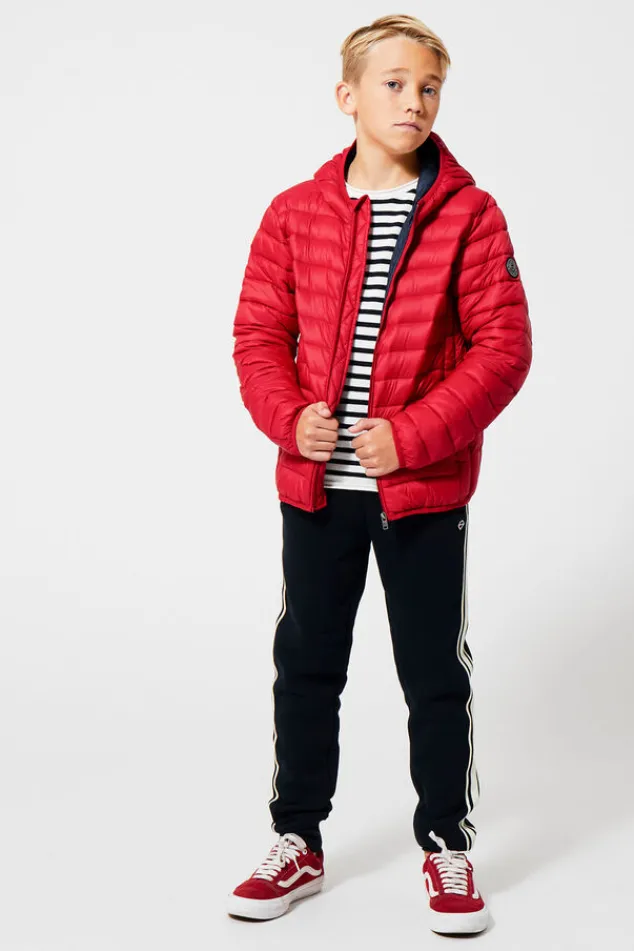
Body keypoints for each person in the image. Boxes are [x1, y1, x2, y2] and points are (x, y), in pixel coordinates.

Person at [227, 14, 532, 935]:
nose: (414, 101)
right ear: (347, 96)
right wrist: (292, 420)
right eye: (394, 83)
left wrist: (414, 435)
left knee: (433, 672)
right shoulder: (293, 213)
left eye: (429, 86)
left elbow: (504, 349)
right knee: (306, 666)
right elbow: (257, 337)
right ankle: (297, 839)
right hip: (317, 491)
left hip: (423, 494)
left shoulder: (470, 215)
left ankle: (446, 843)